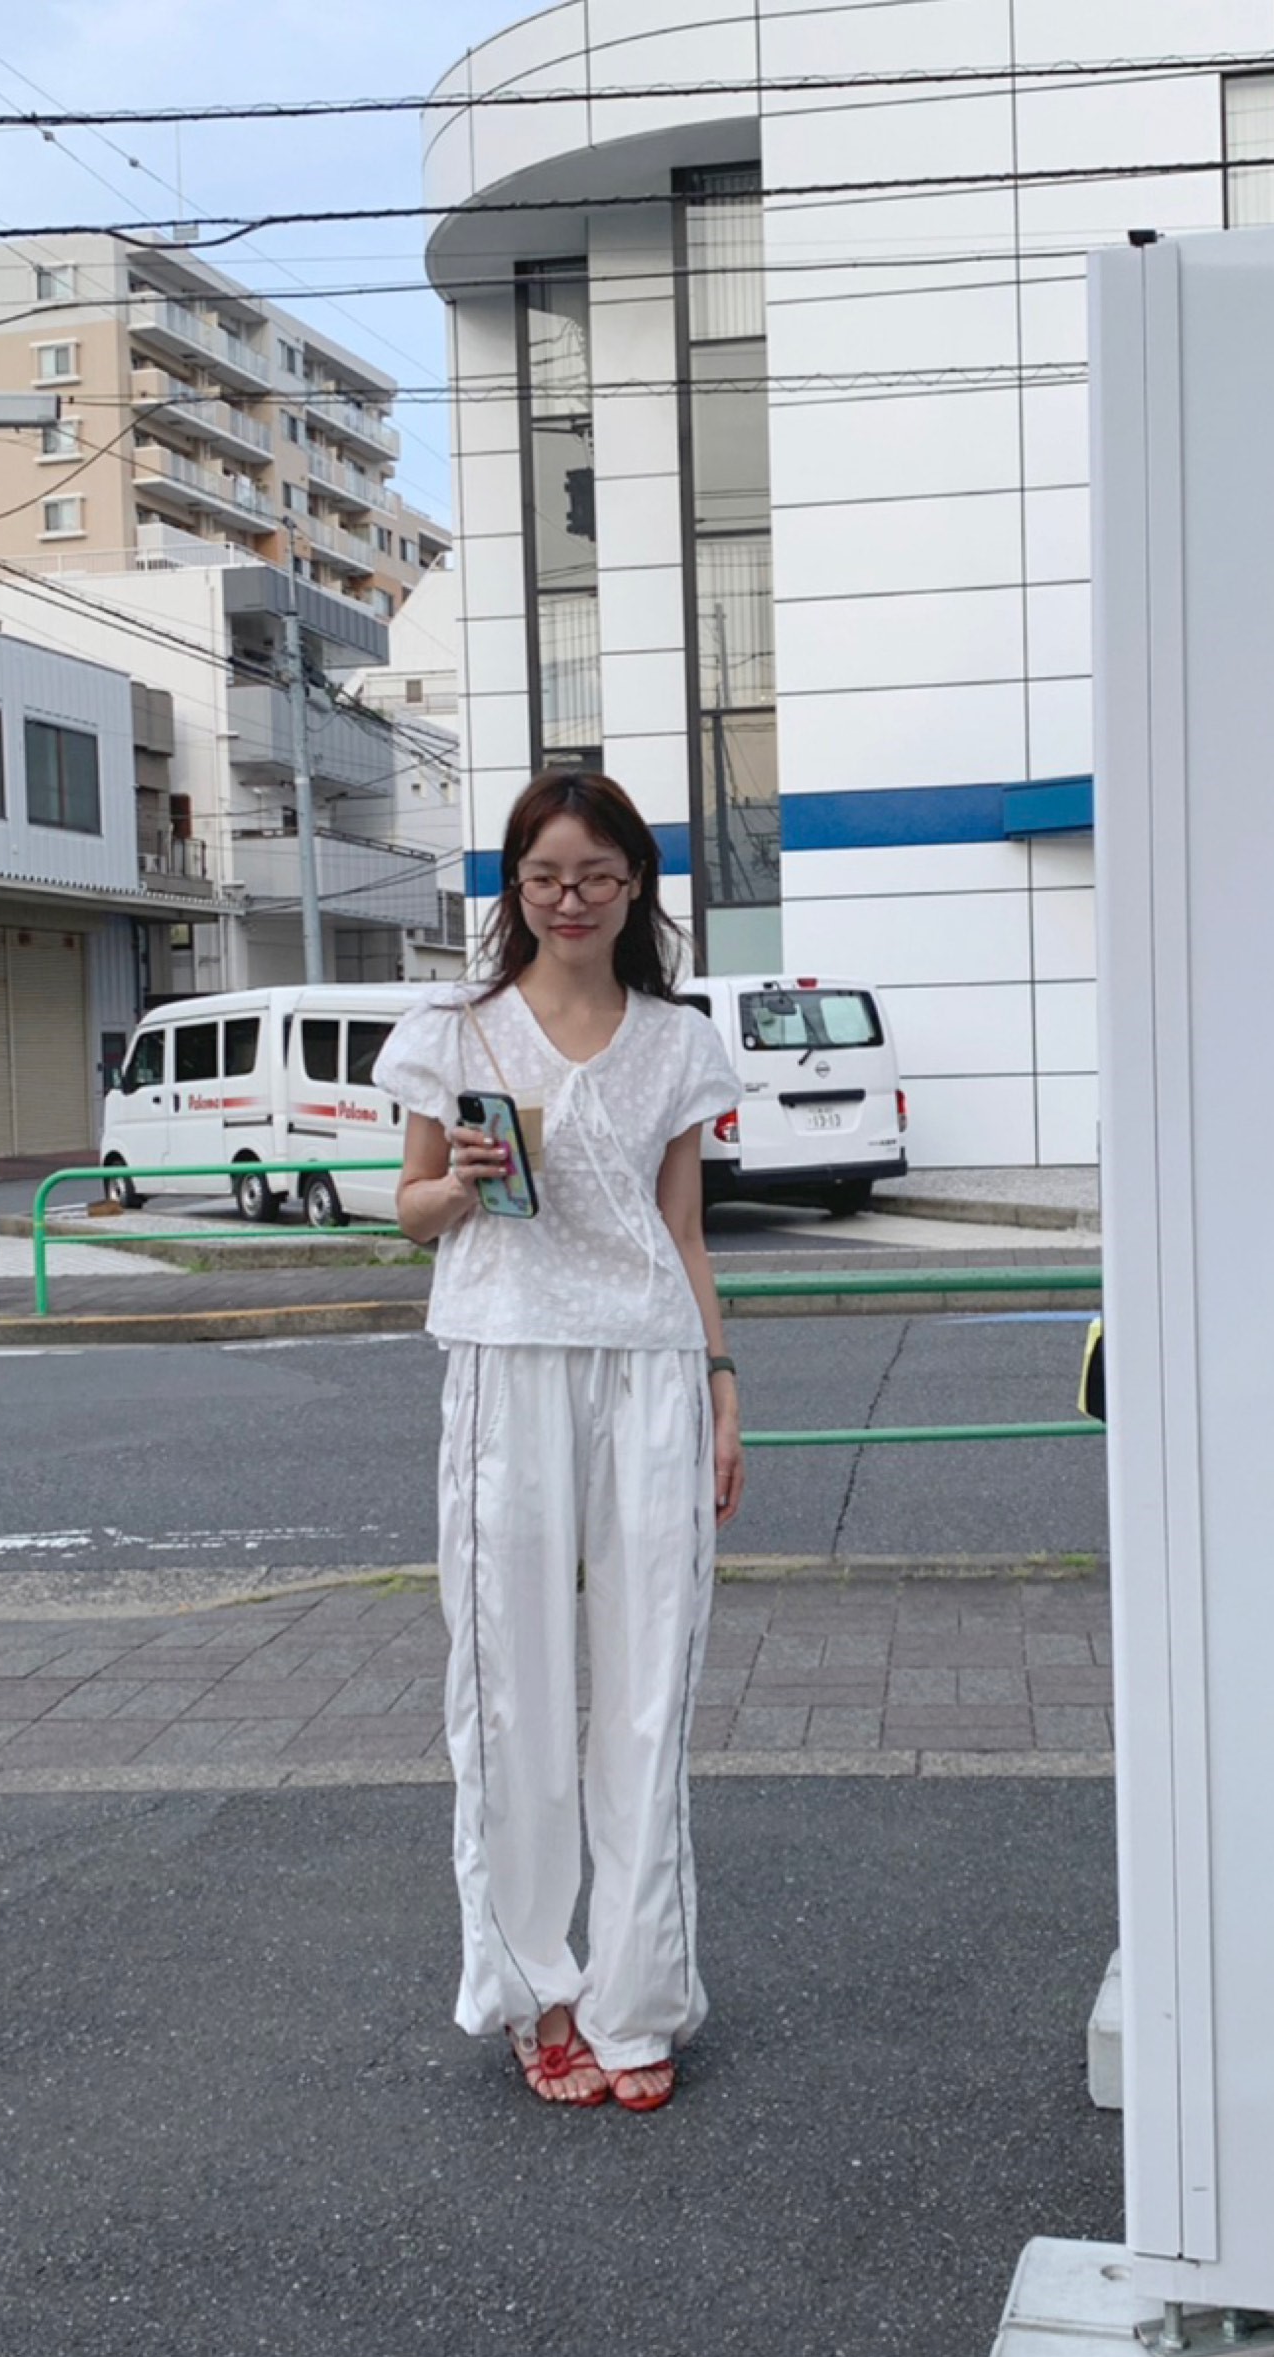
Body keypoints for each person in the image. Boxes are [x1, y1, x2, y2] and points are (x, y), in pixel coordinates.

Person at [373, 769, 744, 2114]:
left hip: (649, 1365)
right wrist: (459, 1187)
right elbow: (407, 1209)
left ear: (636, 885)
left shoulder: (679, 1041)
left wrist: (721, 1388)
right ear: (513, 888)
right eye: (543, 877)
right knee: (509, 1687)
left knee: (650, 1693)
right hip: (505, 1361)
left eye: (594, 876)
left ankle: (638, 2004)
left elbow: (684, 1234)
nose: (569, 899)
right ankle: (537, 1993)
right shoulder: (453, 1032)